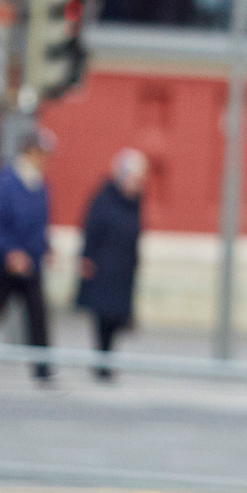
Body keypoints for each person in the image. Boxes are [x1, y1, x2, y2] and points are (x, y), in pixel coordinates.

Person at [0, 128, 56, 382]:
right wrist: (8, 251)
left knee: (37, 315)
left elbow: (41, 222)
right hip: (8, 262)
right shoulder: (6, 180)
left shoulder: (39, 183)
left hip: (31, 261)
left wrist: (45, 247)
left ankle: (42, 368)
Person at [77, 149, 148, 378]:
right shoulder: (104, 199)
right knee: (104, 317)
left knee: (117, 317)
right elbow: (91, 229)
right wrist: (87, 258)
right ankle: (102, 362)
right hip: (104, 266)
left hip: (124, 268)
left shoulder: (135, 202)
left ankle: (106, 359)